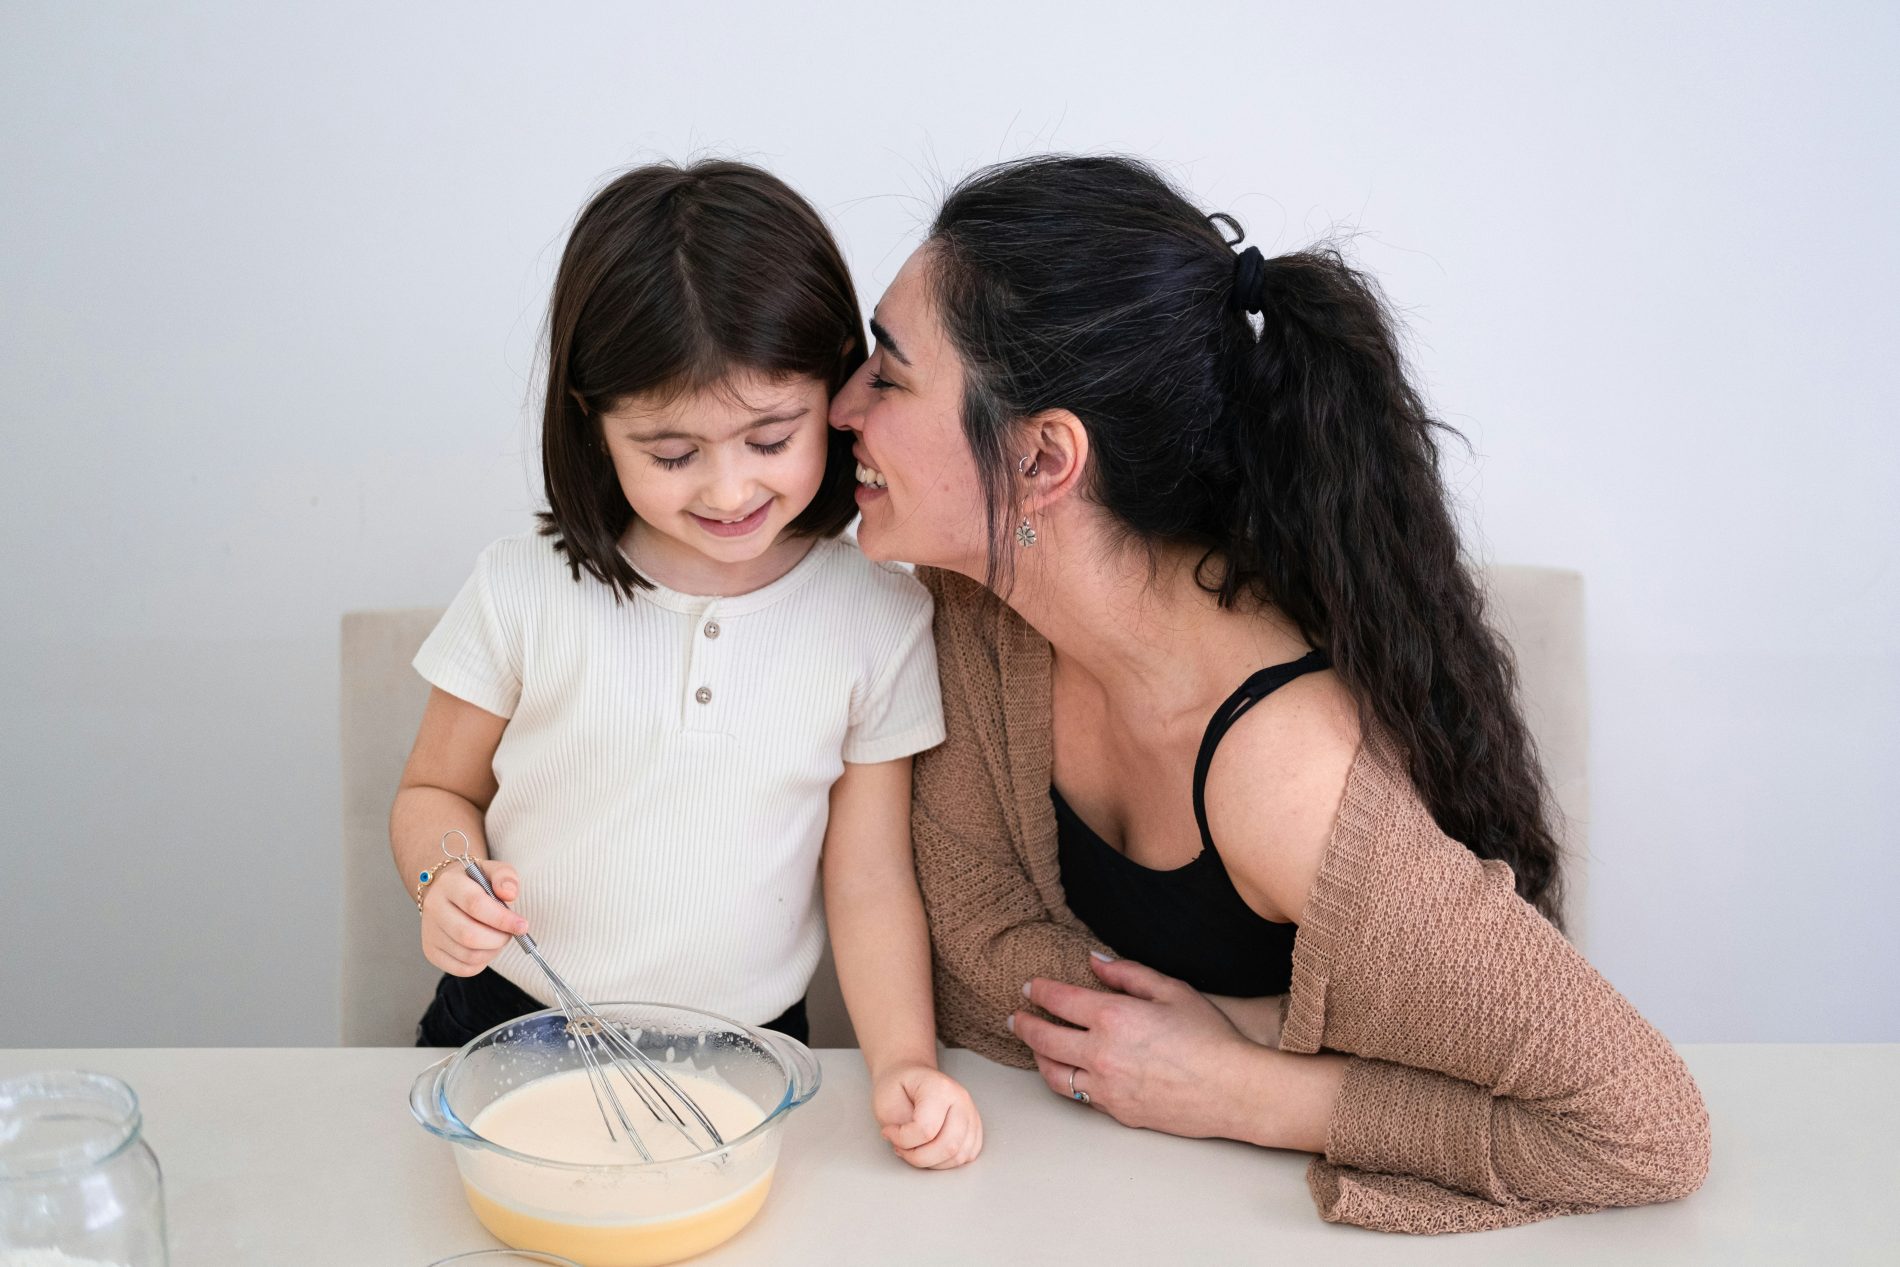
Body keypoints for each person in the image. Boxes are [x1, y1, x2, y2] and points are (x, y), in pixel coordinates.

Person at [827, 154, 1707, 1225]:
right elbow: (971, 947)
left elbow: (1644, 1128)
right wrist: (1244, 1014)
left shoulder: (1283, 773)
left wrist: (1245, 1086)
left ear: (1044, 459)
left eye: (890, 371)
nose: (840, 407)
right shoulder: (979, 604)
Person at [391, 160, 981, 1170]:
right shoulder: (522, 588)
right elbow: (434, 787)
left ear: (836, 388)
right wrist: (444, 877)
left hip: (744, 1058)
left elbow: (871, 877)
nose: (728, 487)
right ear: (593, 421)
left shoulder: (876, 613)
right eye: (671, 454)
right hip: (510, 1025)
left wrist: (902, 1061)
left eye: (770, 436)